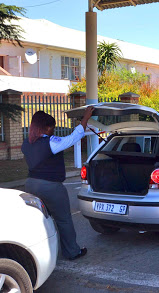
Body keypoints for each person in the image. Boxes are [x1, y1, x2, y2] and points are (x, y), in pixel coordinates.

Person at [22, 106, 95, 260]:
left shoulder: (26, 143)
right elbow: (73, 138)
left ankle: (36, 254)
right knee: (63, 219)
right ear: (46, 127)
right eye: (52, 128)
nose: (53, 131)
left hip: (30, 184)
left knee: (39, 220)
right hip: (51, 187)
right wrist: (85, 119)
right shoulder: (50, 142)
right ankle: (72, 252)